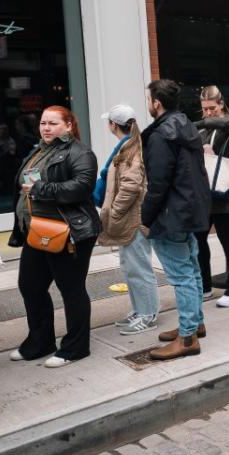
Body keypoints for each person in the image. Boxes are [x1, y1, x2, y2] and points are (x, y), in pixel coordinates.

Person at [8, 106, 100, 368]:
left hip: (69, 231)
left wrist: (41, 188)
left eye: (53, 123)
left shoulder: (80, 152)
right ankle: (40, 342)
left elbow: (81, 187)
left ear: (69, 126)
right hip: (37, 229)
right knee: (30, 285)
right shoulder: (39, 150)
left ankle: (76, 347)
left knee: (71, 289)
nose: (46, 128)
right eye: (43, 123)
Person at [141, 79, 211, 359]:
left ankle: (187, 338)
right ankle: (194, 324)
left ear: (156, 103)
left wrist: (145, 218)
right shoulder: (185, 126)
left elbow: (158, 184)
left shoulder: (162, 135)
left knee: (182, 275)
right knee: (191, 269)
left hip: (171, 215)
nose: (148, 103)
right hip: (188, 211)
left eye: (148, 99)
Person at [96, 105, 159, 335]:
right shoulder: (129, 144)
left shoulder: (130, 147)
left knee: (139, 268)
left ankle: (148, 315)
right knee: (130, 268)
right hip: (128, 220)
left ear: (113, 125)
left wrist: (115, 212)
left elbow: (131, 185)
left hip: (132, 220)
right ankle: (139, 310)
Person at [194, 86, 229, 309]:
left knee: (227, 241)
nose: (208, 113)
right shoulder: (206, 126)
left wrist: (194, 126)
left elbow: (223, 124)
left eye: (212, 108)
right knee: (198, 240)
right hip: (205, 192)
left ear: (221, 104)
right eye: (204, 109)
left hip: (224, 191)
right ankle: (204, 286)